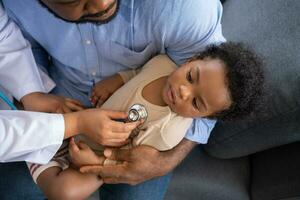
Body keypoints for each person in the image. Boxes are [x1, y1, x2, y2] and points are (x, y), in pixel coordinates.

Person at [2, 0, 230, 199]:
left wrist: (163, 161)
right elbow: (22, 45)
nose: (102, 4)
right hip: (58, 102)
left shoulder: (187, 8)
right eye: (74, 2)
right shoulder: (16, 5)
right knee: (14, 190)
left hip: (117, 148)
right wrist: (31, 96)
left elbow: (216, 93)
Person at [27, 43, 264, 200]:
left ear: (205, 117)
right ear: (192, 59)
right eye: (191, 77)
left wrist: (97, 162)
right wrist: (116, 80)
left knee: (65, 192)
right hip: (84, 116)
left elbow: (130, 157)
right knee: (48, 109)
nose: (183, 91)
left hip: (98, 155)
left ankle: (37, 160)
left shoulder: (167, 132)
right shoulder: (163, 63)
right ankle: (34, 142)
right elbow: (136, 73)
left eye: (196, 103)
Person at [0, 4, 140, 199]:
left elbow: (3, 37)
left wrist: (32, 95)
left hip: (109, 141)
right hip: (41, 124)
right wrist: (77, 124)